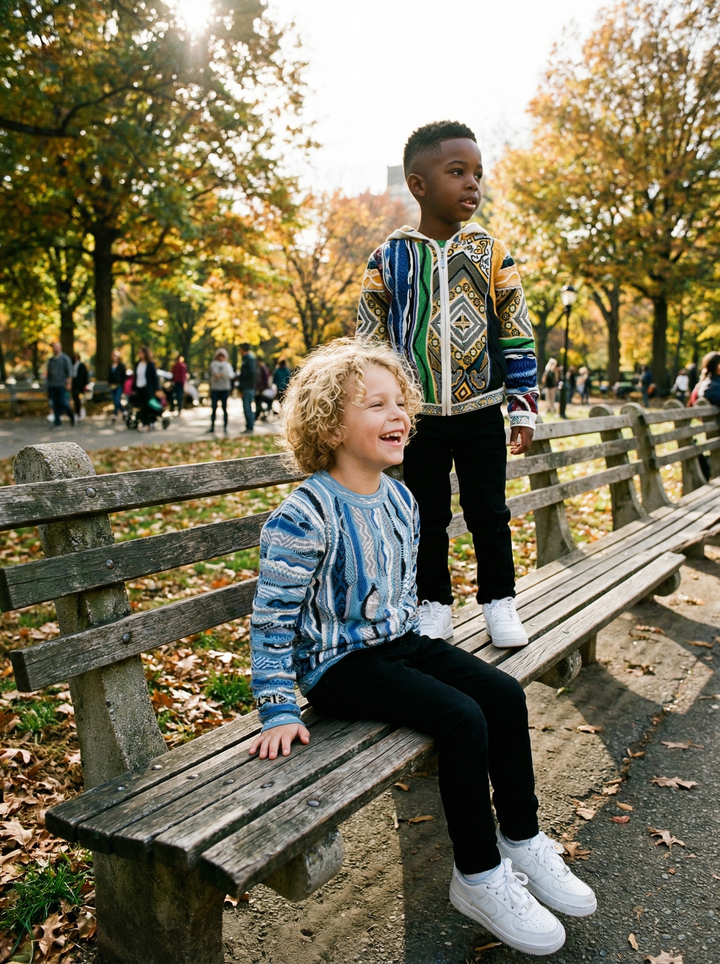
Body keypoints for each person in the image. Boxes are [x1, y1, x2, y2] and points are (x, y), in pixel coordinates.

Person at [248, 338, 596, 956]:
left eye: (401, 403)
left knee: (502, 694)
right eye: (376, 405)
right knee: (461, 717)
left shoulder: (402, 501)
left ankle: (521, 839)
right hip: (340, 666)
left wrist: (420, 648)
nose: (399, 416)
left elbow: (403, 591)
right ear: (330, 425)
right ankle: (479, 876)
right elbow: (272, 619)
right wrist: (277, 705)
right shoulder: (305, 514)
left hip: (399, 644)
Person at [357, 121, 536, 647]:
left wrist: (522, 404)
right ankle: (432, 604)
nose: (472, 183)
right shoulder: (387, 259)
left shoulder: (493, 254)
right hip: (415, 419)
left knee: (489, 511)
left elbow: (517, 332)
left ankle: (499, 601)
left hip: (481, 409)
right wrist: (373, 411)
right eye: (457, 172)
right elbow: (369, 345)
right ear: (418, 184)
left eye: (477, 173)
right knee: (424, 514)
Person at [46, 341, 75, 427]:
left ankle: (71, 416)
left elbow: (69, 372)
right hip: (53, 385)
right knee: (55, 404)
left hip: (63, 385)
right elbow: (49, 374)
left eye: (57, 347)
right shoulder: (51, 360)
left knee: (63, 403)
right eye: (54, 347)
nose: (55, 348)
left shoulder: (65, 359)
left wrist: (69, 383)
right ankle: (57, 422)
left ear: (60, 347)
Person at [207, 348, 234, 434]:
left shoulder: (228, 365)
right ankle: (212, 427)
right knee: (214, 408)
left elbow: (231, 375)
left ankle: (225, 427)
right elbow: (212, 374)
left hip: (224, 389)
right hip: (215, 388)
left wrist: (223, 374)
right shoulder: (213, 364)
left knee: (224, 408)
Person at [134, 346, 159, 430]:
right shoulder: (137, 364)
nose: (140, 354)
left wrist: (157, 389)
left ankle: (152, 421)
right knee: (142, 407)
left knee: (150, 405)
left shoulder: (150, 364)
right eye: (139, 353)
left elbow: (154, 378)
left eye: (142, 352)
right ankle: (145, 423)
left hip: (148, 389)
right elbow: (136, 377)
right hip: (139, 388)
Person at [238, 342, 256, 433]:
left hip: (248, 387)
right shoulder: (246, 359)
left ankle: (250, 426)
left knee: (247, 407)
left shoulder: (249, 359)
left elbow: (250, 374)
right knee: (246, 407)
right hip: (247, 387)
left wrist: (243, 386)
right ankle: (249, 426)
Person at [108, 349, 126, 422]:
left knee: (116, 400)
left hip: (119, 385)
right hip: (112, 385)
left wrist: (122, 384)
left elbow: (123, 376)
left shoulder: (121, 366)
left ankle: (116, 414)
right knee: (115, 400)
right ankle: (123, 412)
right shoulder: (111, 366)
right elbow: (109, 376)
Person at [71, 353, 90, 420]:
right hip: (74, 384)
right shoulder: (73, 365)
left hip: (80, 384)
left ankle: (79, 412)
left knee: (79, 398)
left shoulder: (81, 366)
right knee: (75, 398)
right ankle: (77, 412)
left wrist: (85, 384)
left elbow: (84, 375)